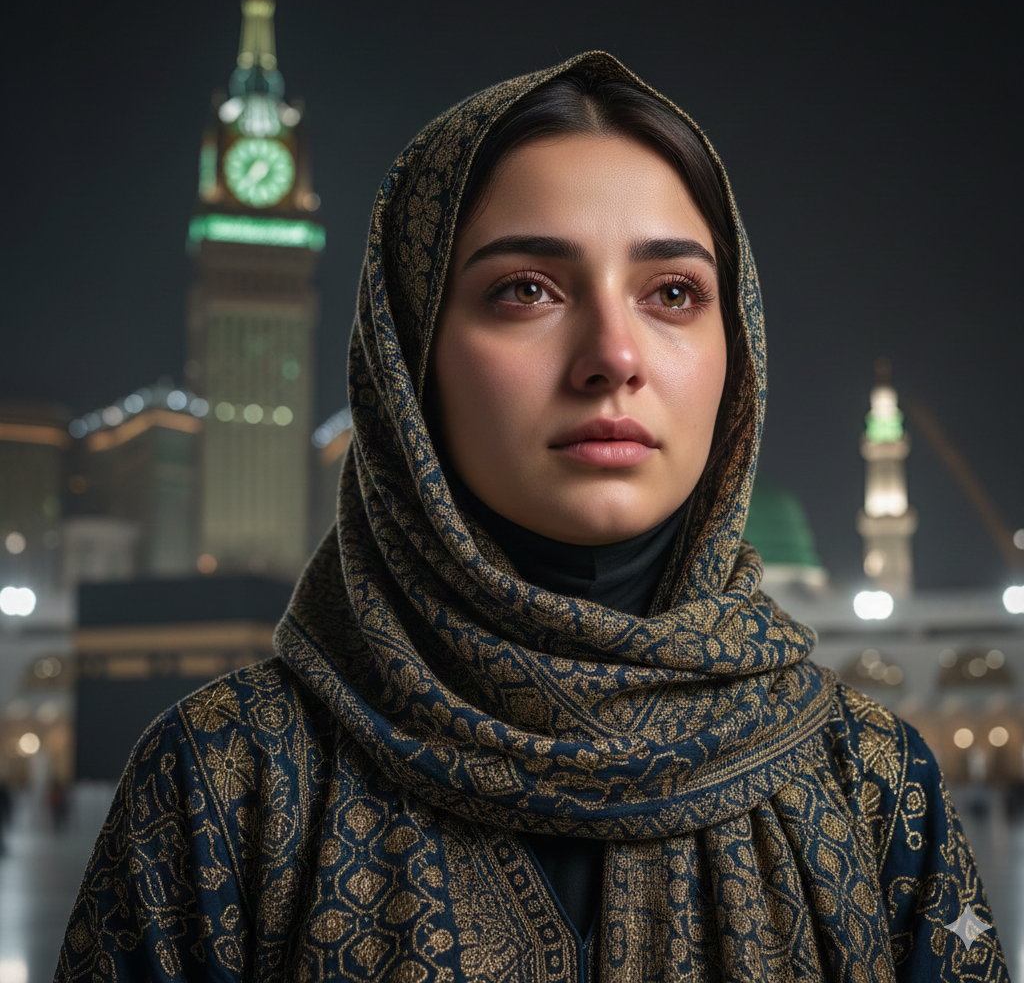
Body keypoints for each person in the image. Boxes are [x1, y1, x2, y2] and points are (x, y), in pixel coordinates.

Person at [55, 51, 1009, 982]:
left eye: (672, 293)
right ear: (409, 359)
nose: (612, 355)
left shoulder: (872, 786)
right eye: (527, 291)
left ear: (740, 348)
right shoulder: (227, 784)